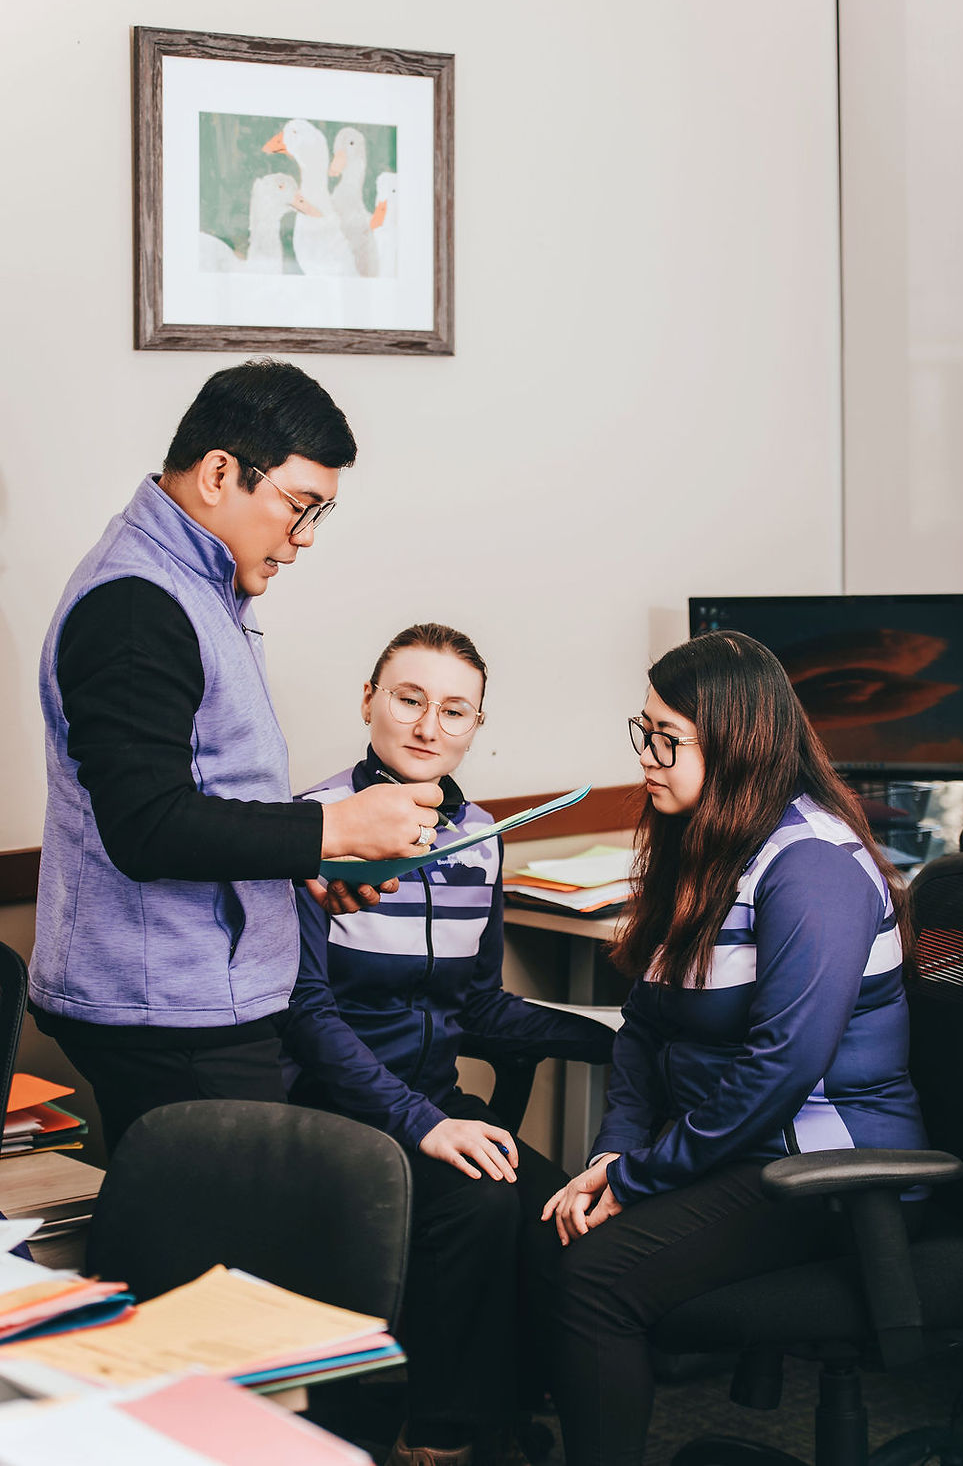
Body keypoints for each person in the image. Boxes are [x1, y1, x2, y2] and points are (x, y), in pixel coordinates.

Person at [29, 360, 442, 1153]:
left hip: (201, 999)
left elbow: (209, 789)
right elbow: (147, 827)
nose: (307, 537)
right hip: (167, 1013)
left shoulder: (197, 582)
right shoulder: (135, 602)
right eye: (298, 506)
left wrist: (303, 860)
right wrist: (331, 831)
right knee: (232, 1268)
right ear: (220, 472)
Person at [542, 630, 929, 1466]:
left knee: (595, 1282)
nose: (647, 756)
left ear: (738, 744)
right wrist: (612, 1155)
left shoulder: (812, 865)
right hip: (738, 1154)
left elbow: (782, 1067)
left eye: (666, 739)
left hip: (829, 1171)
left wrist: (639, 1177)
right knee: (551, 1233)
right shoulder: (704, 848)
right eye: (643, 731)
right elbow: (644, 1029)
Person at [283, 622, 615, 1466]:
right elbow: (305, 1013)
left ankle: (502, 1413)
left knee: (561, 1211)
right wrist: (422, 1123)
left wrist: (617, 1038)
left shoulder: (481, 840)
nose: (429, 726)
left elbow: (478, 1007)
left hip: (433, 1098)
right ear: (368, 701)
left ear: (476, 727)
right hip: (332, 1100)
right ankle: (438, 1437)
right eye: (409, 699)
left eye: (455, 710)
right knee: (476, 1200)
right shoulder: (310, 828)